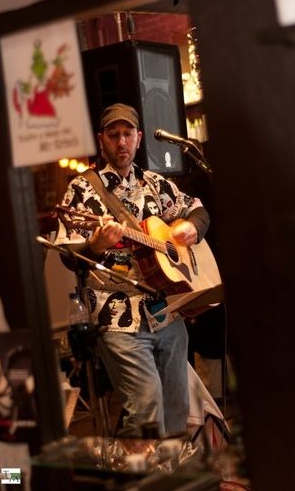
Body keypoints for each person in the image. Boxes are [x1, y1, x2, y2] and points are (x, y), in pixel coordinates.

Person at [55, 103, 210, 438]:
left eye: (128, 134)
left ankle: (171, 479)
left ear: (139, 138)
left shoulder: (155, 184)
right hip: (117, 315)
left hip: (168, 311)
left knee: (177, 409)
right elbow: (67, 253)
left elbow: (197, 210)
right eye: (114, 135)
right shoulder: (82, 191)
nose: (121, 142)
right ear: (102, 140)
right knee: (146, 411)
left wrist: (192, 229)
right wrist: (95, 245)